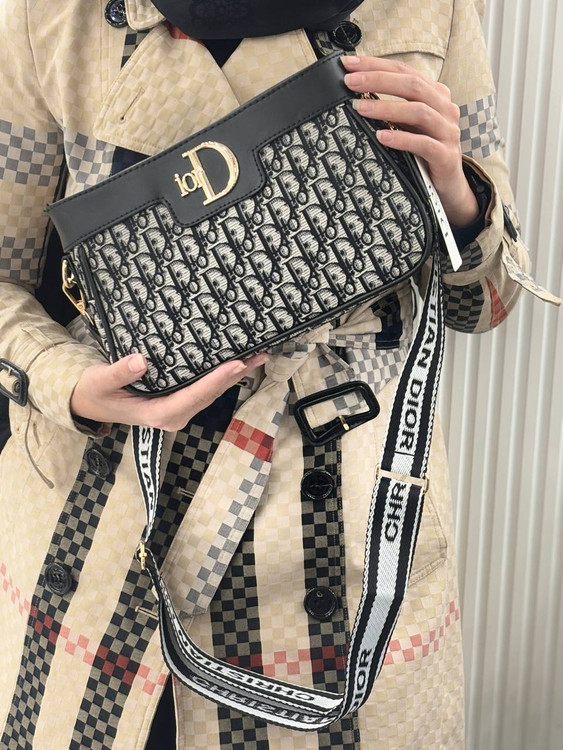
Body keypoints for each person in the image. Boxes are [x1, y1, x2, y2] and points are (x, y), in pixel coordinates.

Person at [0, 1, 542, 748]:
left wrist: (456, 195)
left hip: (343, 537)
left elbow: (485, 303)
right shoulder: (51, 15)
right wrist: (68, 380)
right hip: (108, 527)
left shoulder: (428, 7)